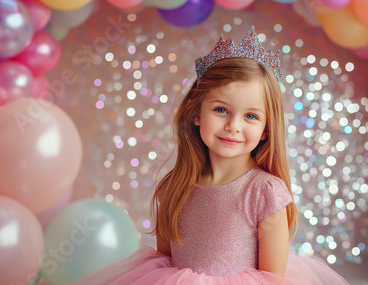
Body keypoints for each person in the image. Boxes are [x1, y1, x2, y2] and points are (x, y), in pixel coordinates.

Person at [68, 27, 349, 284]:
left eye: (250, 116)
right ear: (196, 113)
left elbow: (273, 279)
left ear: (266, 130)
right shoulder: (174, 187)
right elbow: (163, 261)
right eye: (221, 110)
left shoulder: (265, 192)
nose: (233, 126)